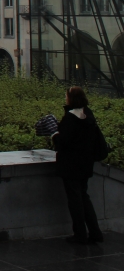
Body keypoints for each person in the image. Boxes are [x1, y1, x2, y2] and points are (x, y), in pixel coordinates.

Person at [53, 86, 103, 244]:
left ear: (71, 99)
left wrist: (54, 136)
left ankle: (80, 234)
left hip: (71, 165)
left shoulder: (70, 118)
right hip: (85, 163)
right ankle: (95, 232)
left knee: (75, 200)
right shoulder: (88, 115)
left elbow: (64, 142)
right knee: (84, 197)